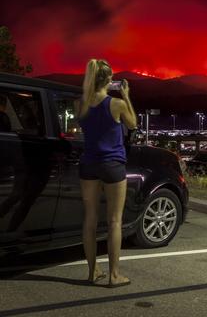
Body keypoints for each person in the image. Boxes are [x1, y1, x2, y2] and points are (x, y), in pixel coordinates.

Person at [78, 59, 136, 287]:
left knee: (90, 219)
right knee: (114, 221)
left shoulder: (80, 103)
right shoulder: (117, 103)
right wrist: (127, 96)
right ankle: (114, 276)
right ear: (110, 80)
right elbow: (132, 125)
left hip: (89, 164)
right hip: (112, 165)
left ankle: (92, 272)